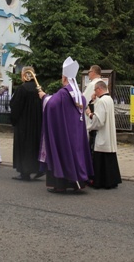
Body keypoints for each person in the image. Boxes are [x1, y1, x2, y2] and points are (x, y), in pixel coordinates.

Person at [38, 57, 93, 193]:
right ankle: (76, 183)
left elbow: (51, 105)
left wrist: (44, 97)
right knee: (76, 154)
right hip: (77, 133)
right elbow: (84, 103)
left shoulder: (63, 93)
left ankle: (60, 185)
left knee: (62, 154)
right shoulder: (79, 94)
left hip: (64, 133)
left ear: (64, 78)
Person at [85, 80, 121, 189]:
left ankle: (98, 182)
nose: (94, 92)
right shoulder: (109, 99)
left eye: (95, 90)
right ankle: (111, 181)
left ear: (99, 89)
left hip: (102, 134)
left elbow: (99, 120)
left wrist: (90, 114)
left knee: (100, 159)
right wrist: (94, 101)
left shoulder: (102, 101)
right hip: (108, 135)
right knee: (109, 159)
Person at [9, 66, 44, 181]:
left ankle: (25, 172)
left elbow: (15, 106)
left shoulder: (22, 89)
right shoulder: (39, 89)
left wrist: (14, 120)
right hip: (37, 123)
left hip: (24, 123)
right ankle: (38, 169)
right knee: (35, 145)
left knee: (24, 147)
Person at [84, 65, 102, 150]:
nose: (88, 74)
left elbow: (84, 100)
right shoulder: (102, 83)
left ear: (93, 72)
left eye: (89, 72)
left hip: (91, 115)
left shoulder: (92, 84)